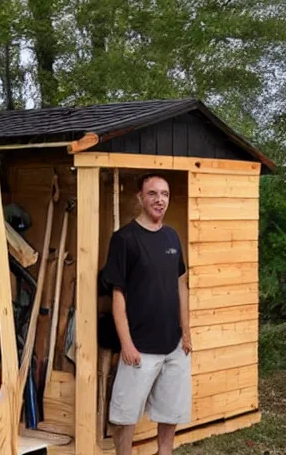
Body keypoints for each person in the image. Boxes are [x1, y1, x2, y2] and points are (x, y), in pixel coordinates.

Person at [102, 173, 192, 455]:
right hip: (140, 347)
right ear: (140, 198)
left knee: (170, 412)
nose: (159, 200)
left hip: (174, 346)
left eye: (164, 194)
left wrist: (186, 334)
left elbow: (181, 285)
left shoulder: (172, 236)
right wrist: (126, 343)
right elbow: (118, 295)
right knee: (124, 414)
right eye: (153, 193)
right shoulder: (124, 239)